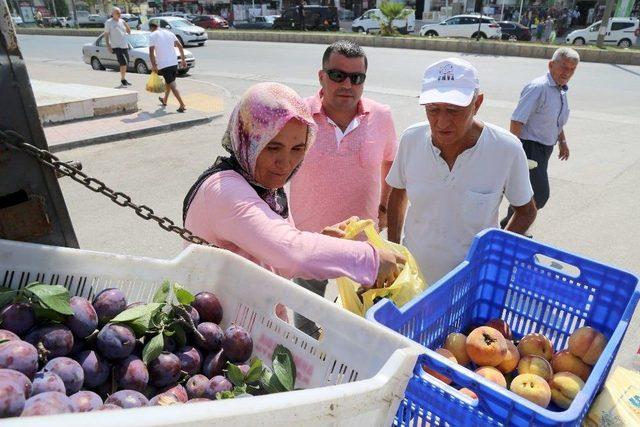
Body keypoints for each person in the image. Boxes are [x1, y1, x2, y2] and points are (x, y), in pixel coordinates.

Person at [183, 82, 405, 329]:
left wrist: (321, 240)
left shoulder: (267, 189)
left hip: (257, 332)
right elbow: (289, 253)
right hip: (218, 338)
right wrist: (370, 259)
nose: (285, 163)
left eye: (298, 149)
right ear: (247, 137)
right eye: (273, 147)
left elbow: (275, 261)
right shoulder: (223, 190)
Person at [386, 58, 536, 285]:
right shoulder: (412, 139)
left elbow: (526, 211)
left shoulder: (506, 148)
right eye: (433, 109)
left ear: (478, 103)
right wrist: (395, 250)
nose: (442, 122)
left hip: (470, 283)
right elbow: (398, 194)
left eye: (454, 111)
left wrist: (491, 258)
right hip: (412, 276)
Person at [288, 40, 398, 334]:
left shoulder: (382, 116)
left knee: (356, 321)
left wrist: (384, 207)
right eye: (337, 75)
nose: (347, 84)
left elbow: (392, 164)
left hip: (362, 244)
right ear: (321, 76)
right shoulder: (297, 115)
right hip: (309, 241)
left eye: (356, 78)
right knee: (305, 320)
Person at [500, 48, 579, 229]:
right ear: (551, 65)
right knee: (539, 195)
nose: (567, 72)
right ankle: (509, 229)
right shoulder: (538, 88)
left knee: (526, 194)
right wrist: (515, 151)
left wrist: (563, 142)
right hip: (529, 148)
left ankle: (510, 229)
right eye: (564, 67)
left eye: (572, 69)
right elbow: (517, 120)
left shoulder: (561, 90)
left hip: (545, 149)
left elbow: (557, 121)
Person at [149, 21, 187, 113]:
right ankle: (165, 100)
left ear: (151, 27)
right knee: (168, 83)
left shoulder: (153, 35)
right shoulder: (169, 33)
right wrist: (183, 60)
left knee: (173, 85)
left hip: (164, 65)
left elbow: (151, 52)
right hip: (174, 63)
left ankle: (182, 105)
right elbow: (180, 46)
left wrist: (154, 66)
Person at [104, 7, 132, 88]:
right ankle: (123, 81)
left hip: (124, 45)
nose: (119, 14)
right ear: (112, 14)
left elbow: (129, 32)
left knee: (126, 63)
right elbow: (106, 34)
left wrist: (126, 24)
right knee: (123, 63)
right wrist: (108, 45)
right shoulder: (109, 22)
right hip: (116, 46)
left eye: (120, 13)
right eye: (117, 13)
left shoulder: (122, 21)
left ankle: (123, 79)